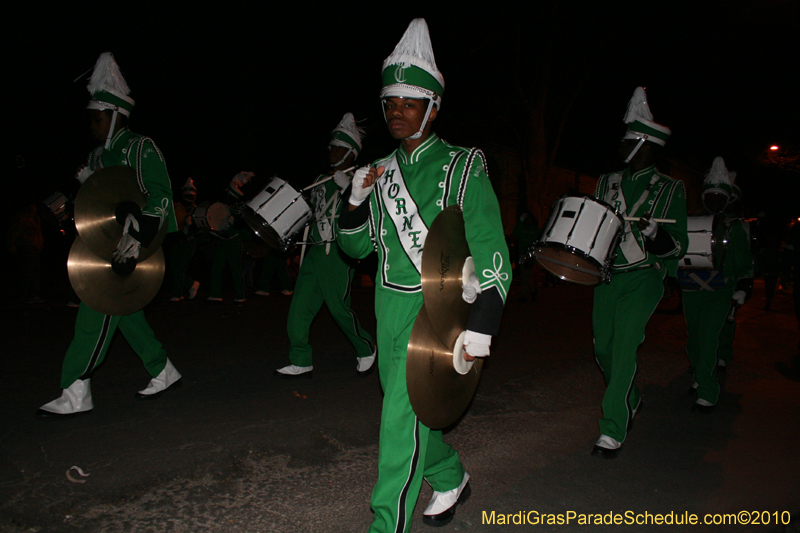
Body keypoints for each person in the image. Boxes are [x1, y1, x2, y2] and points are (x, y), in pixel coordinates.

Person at [337, 19, 511, 531]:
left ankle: (385, 523)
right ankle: (449, 473)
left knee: (396, 429)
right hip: (386, 305)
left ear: (432, 108)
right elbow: (355, 248)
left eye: (408, 103)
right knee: (406, 411)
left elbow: (493, 251)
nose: (395, 113)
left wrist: (483, 324)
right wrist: (354, 201)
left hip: (434, 313)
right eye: (390, 103)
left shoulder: (463, 166)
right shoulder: (381, 171)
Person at [37, 52, 181, 417]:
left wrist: (138, 233)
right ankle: (163, 370)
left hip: (133, 245)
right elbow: (98, 203)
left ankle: (75, 390)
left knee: (96, 309)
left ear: (116, 116)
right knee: (125, 311)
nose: (93, 125)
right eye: (91, 119)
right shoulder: (98, 157)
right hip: (102, 245)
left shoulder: (139, 147)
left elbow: (161, 194)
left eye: (98, 119)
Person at [591, 87, 688, 457]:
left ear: (646, 145)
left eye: (628, 140)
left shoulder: (670, 188)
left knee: (625, 348)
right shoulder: (605, 182)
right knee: (603, 349)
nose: (621, 146)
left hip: (646, 274)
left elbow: (678, 245)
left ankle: (613, 426)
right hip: (608, 275)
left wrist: (655, 233)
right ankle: (630, 397)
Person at [275, 113, 376, 378]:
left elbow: (369, 213)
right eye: (331, 147)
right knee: (299, 308)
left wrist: (348, 190)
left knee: (338, 307)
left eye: (339, 148)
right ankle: (300, 358)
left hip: (339, 251)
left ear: (351, 153)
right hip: (315, 249)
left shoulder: (362, 177)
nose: (332, 152)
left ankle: (366, 348)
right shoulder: (320, 180)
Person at [677, 158, 753, 411]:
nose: (714, 201)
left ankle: (708, 389)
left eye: (719, 197)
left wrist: (743, 287)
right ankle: (700, 376)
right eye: (710, 196)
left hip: (720, 290)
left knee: (709, 338)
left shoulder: (735, 228)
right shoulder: (690, 222)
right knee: (694, 339)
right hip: (692, 288)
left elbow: (745, 263)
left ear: (727, 199)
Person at [168, 178, 201, 302]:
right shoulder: (178, 207)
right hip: (179, 240)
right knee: (173, 267)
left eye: (191, 195)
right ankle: (191, 284)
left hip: (190, 241)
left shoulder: (196, 210)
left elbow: (199, 228)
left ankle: (178, 293)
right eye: (187, 195)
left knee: (180, 267)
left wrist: (191, 224)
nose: (189, 197)